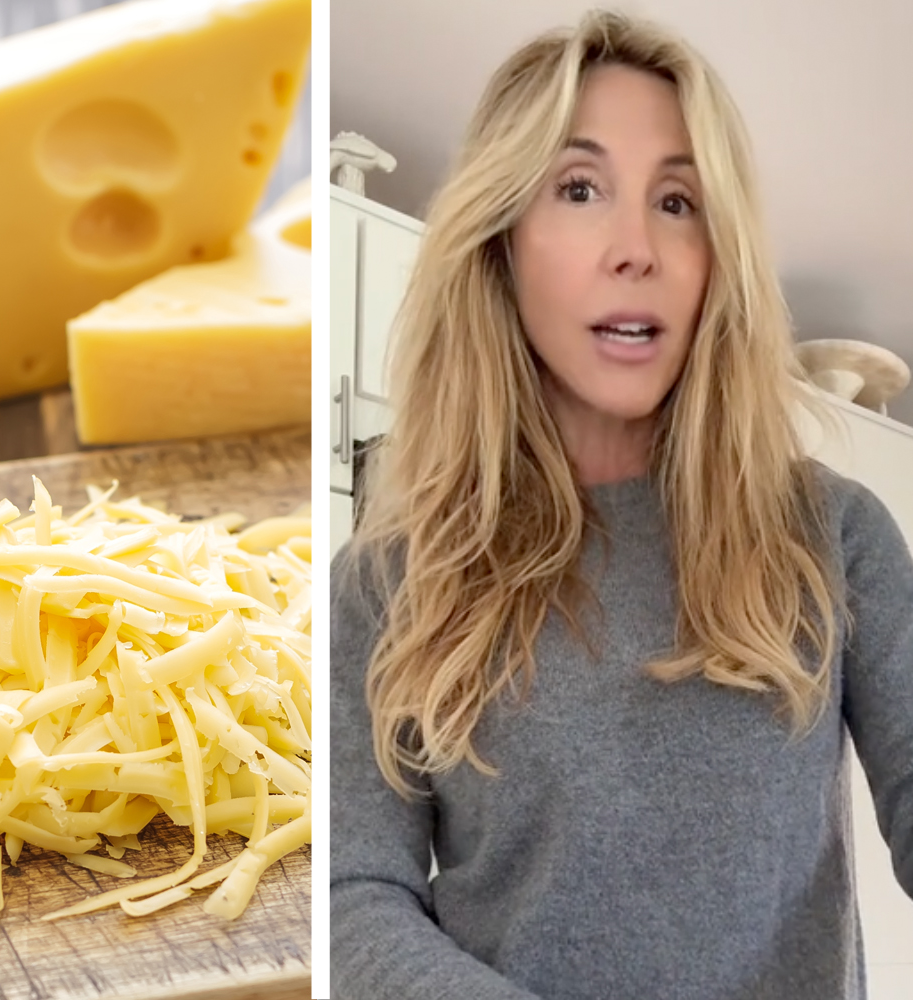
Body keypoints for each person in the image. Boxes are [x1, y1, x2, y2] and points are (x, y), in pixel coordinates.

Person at [331, 11, 913, 1000]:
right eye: (578, 188)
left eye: (677, 201)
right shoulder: (383, 583)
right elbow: (354, 893)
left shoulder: (833, 533)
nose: (636, 248)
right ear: (502, 239)